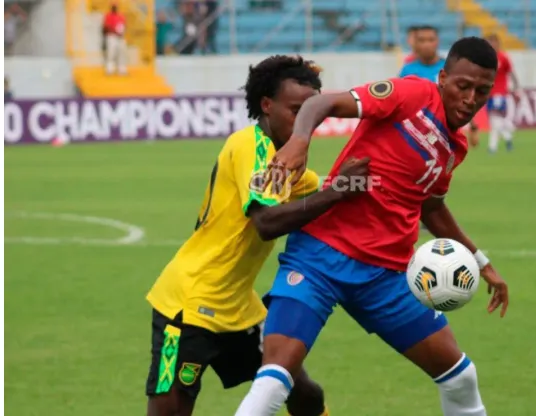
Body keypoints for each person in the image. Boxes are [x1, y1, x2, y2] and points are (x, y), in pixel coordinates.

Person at [234, 36, 510, 416]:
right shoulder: (410, 93)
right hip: (319, 259)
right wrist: (300, 140)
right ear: (443, 78)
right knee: (274, 380)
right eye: (463, 86)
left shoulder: (455, 147)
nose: (471, 99)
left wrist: (482, 263)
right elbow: (321, 101)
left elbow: (431, 206)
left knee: (460, 378)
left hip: (387, 277)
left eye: (482, 91)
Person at [144, 55, 369, 416]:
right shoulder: (251, 146)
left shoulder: (290, 165)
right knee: (169, 410)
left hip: (239, 310)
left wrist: (377, 182)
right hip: (185, 309)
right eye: (296, 110)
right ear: (267, 105)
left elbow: (330, 193)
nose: (305, 124)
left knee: (302, 392)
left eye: (313, 113)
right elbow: (266, 222)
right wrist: (337, 192)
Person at [485, 34, 520, 154]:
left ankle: (492, 147)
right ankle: (508, 138)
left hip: (499, 94)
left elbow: (511, 73)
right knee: (496, 120)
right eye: (489, 43)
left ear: (498, 44)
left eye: (494, 43)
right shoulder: (484, 59)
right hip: (488, 95)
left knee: (495, 121)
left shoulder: (503, 57)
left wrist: (517, 87)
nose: (492, 46)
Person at [102, 3, 127, 75]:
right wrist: (115, 31)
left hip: (120, 37)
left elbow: (124, 25)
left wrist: (121, 32)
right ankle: (110, 69)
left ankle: (122, 70)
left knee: (121, 53)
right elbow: (106, 26)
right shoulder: (108, 16)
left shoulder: (121, 16)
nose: (115, 7)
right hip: (111, 36)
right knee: (111, 53)